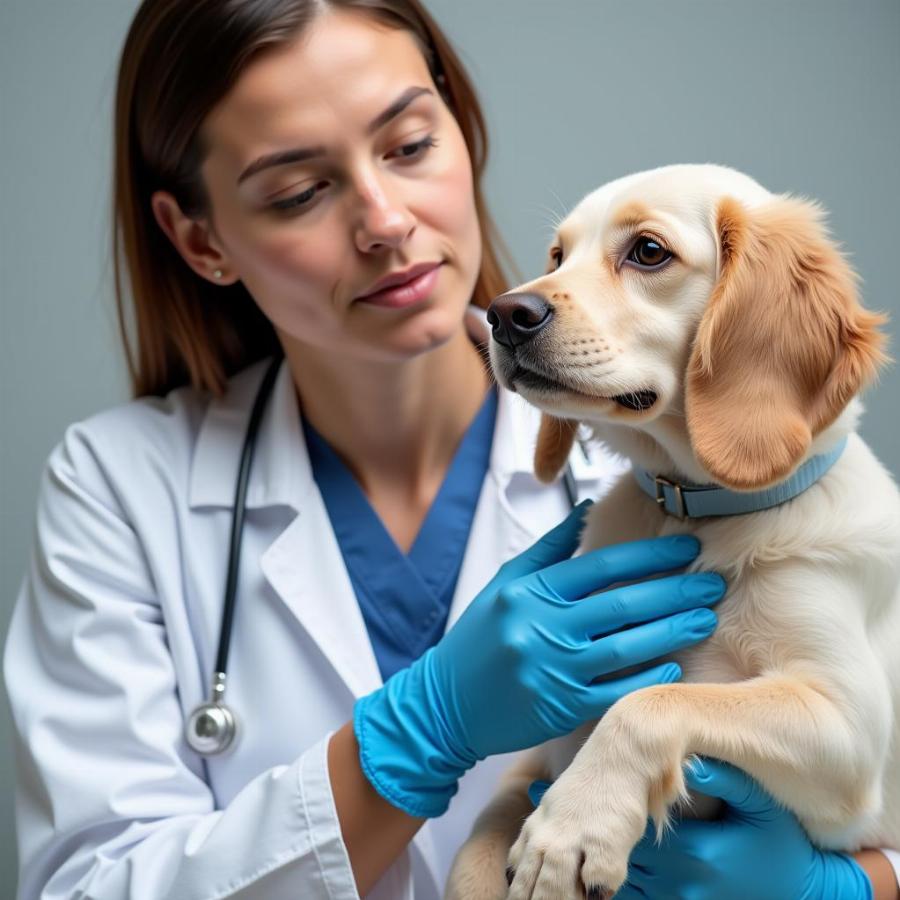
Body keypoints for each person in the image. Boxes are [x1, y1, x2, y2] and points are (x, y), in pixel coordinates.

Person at [3, 1, 898, 898]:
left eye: (408, 145)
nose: (385, 221)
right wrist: (417, 734)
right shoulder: (119, 488)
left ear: (462, 134)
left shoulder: (682, 456)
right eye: (299, 191)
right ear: (202, 240)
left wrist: (854, 887)